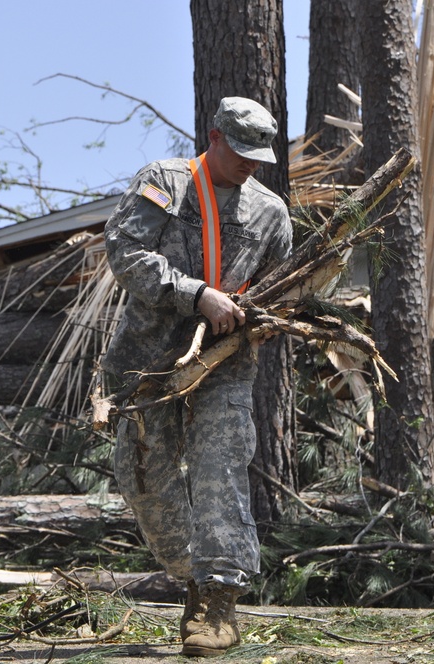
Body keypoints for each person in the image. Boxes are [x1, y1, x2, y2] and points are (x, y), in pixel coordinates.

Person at [101, 96, 292, 657]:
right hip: (148, 360)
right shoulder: (164, 183)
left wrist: (271, 320)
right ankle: (190, 574)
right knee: (142, 477)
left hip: (224, 366)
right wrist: (195, 294)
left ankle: (218, 600)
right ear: (213, 137)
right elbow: (125, 250)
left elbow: (282, 286)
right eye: (240, 152)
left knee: (219, 469)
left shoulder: (270, 213)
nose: (250, 164)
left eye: (259, 156)